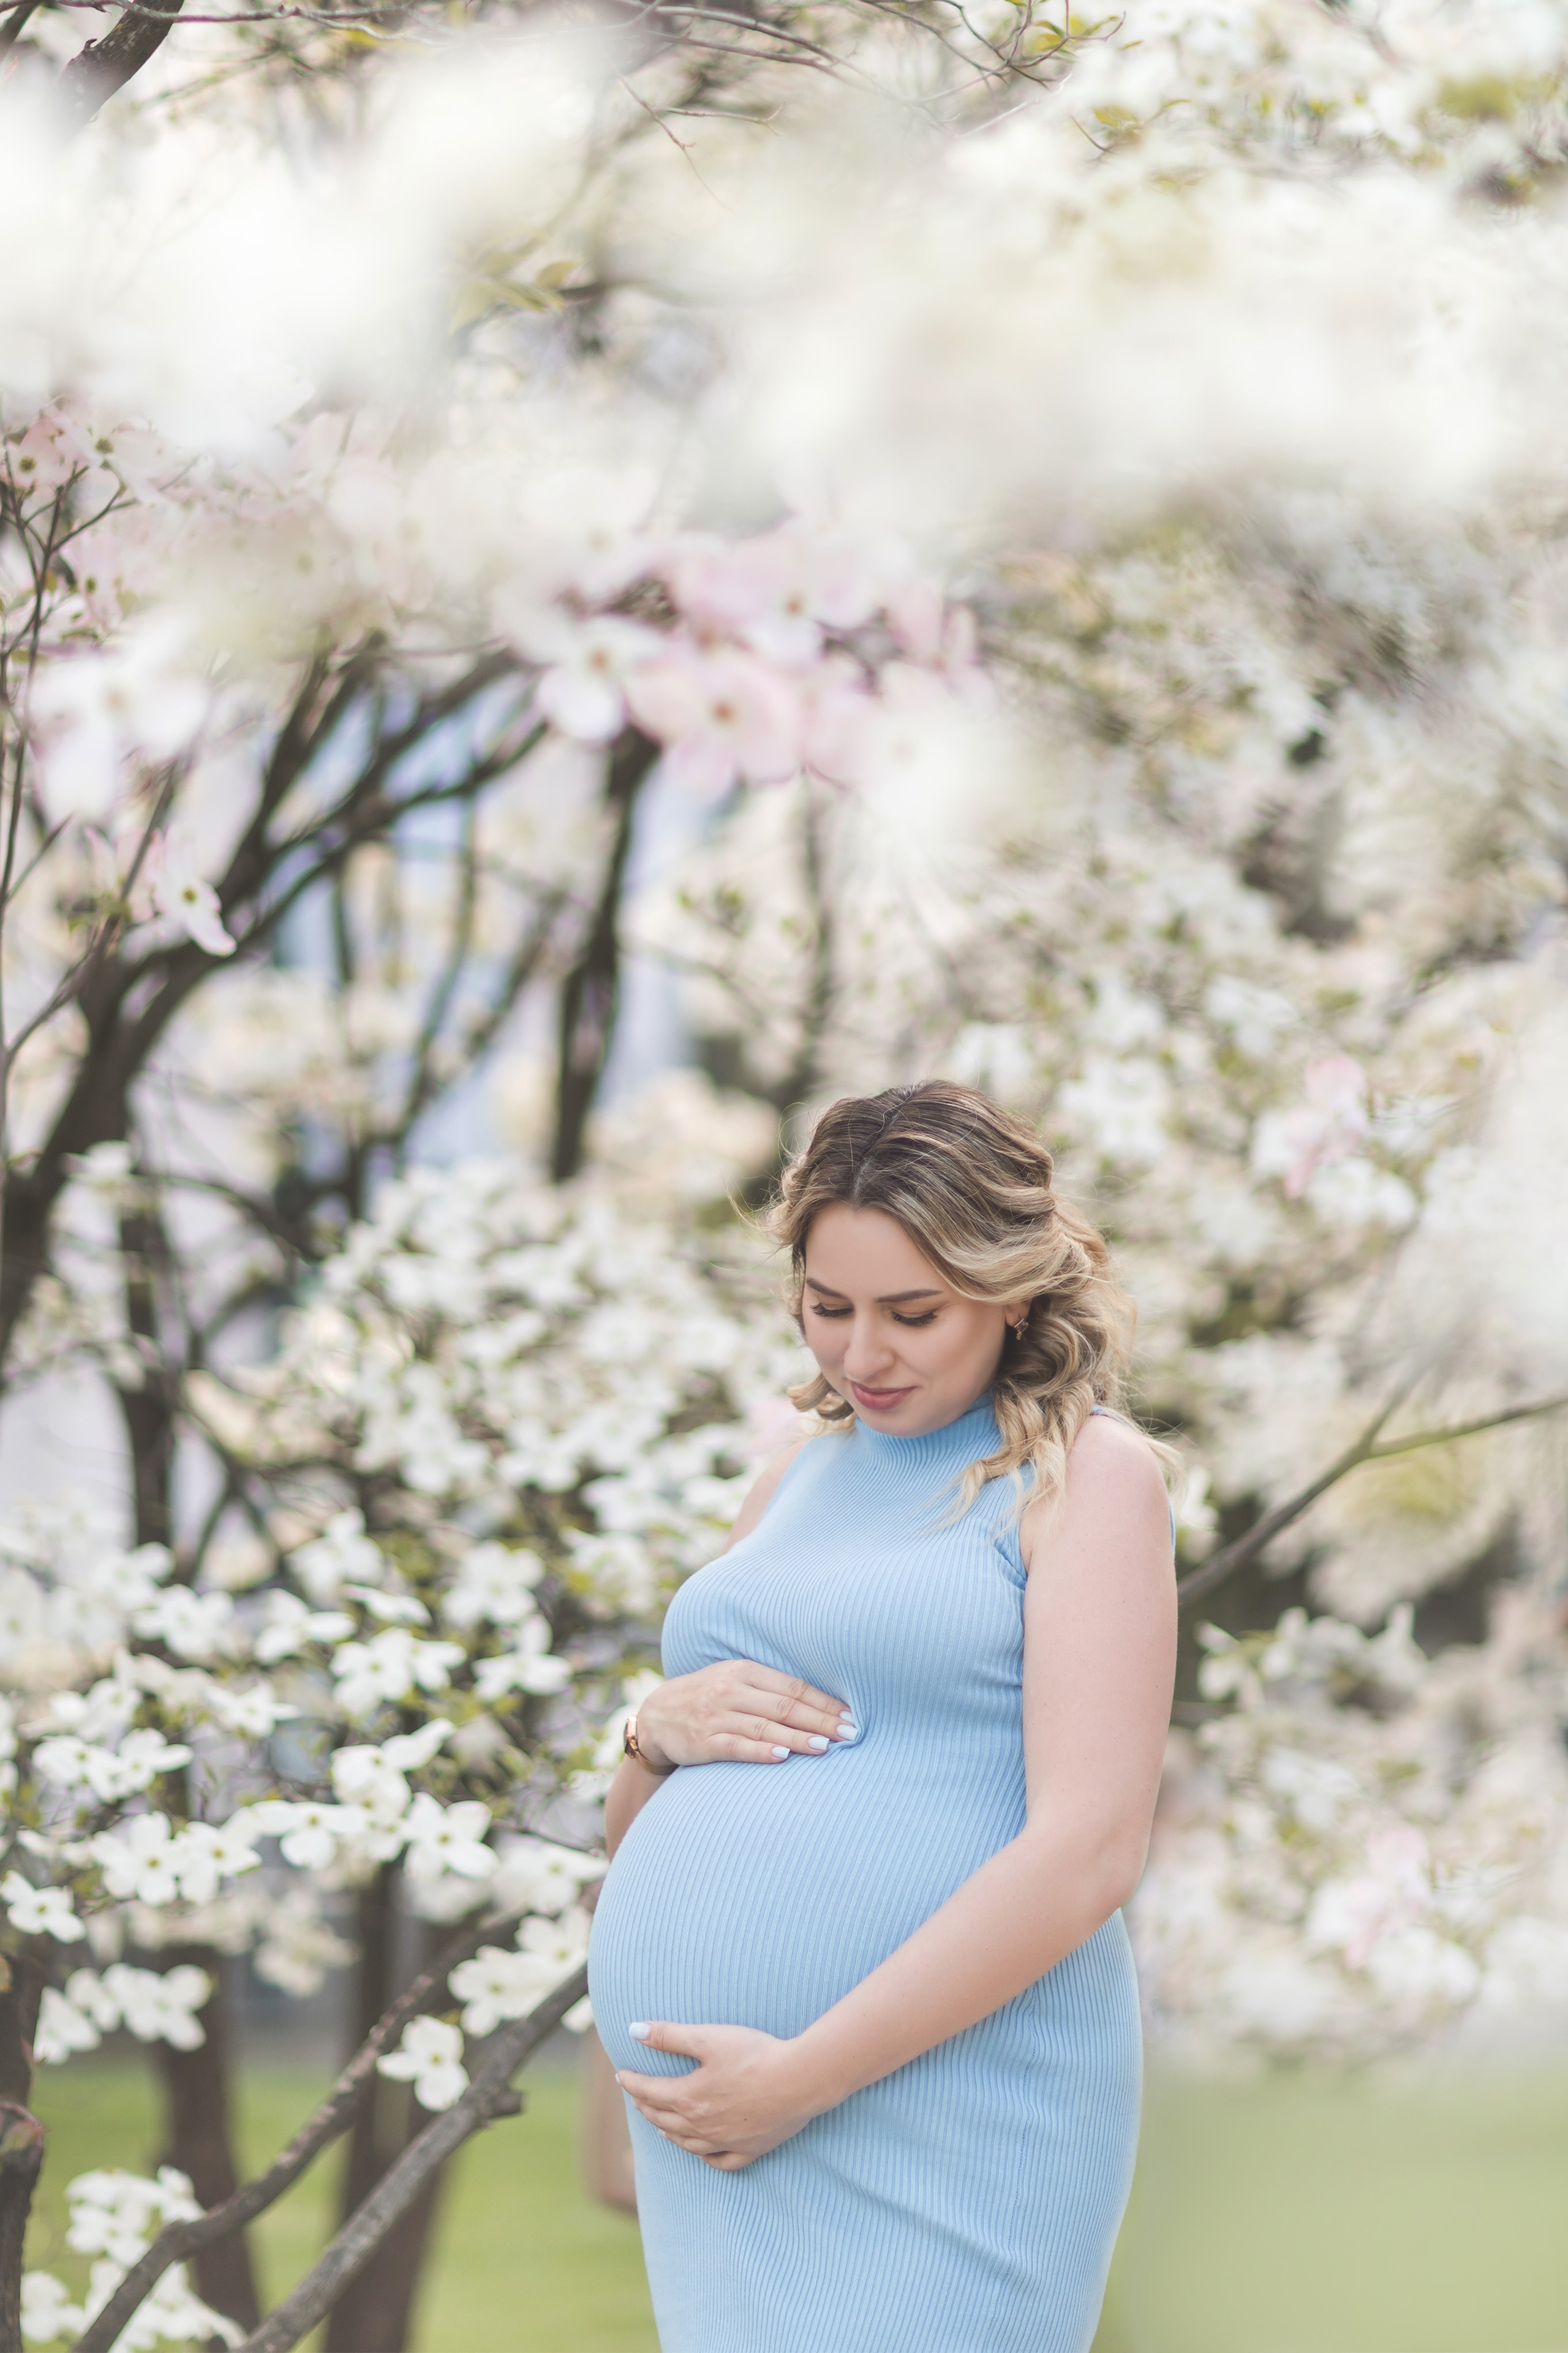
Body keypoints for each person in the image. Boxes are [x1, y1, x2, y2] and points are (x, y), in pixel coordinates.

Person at [587, 1081, 1177, 2353]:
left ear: (1009, 1287)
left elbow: (1088, 1850)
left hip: (939, 2101)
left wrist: (805, 2075)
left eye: (912, 1313)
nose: (860, 1356)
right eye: (825, 1308)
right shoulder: (795, 1474)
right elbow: (632, 1833)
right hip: (735, 2131)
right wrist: (655, 1731)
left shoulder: (1087, 1478)